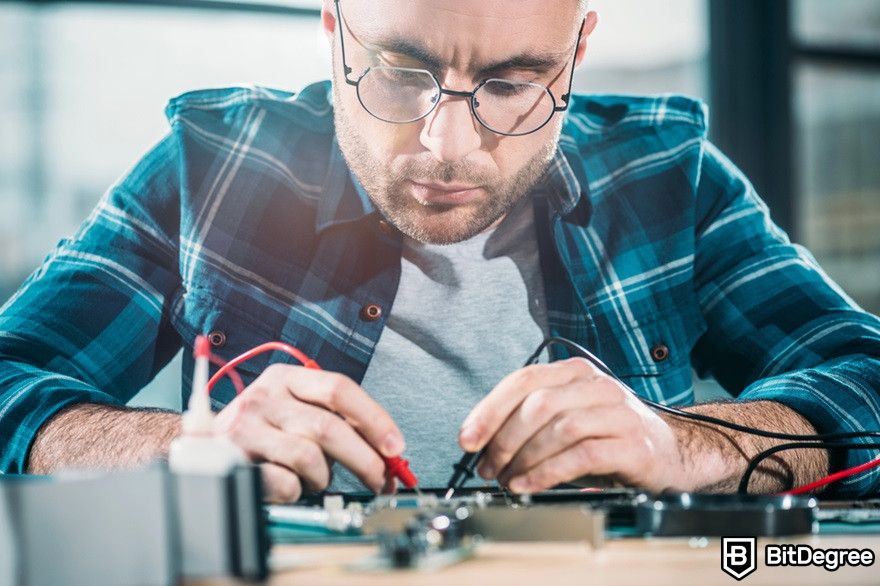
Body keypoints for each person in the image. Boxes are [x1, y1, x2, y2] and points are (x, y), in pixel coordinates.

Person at [1, 0, 879, 502]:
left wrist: (685, 446)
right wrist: (188, 450)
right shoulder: (215, 164)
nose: (447, 146)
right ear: (333, 29)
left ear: (576, 53)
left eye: (510, 83)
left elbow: (865, 375)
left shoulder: (667, 179)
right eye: (397, 71)